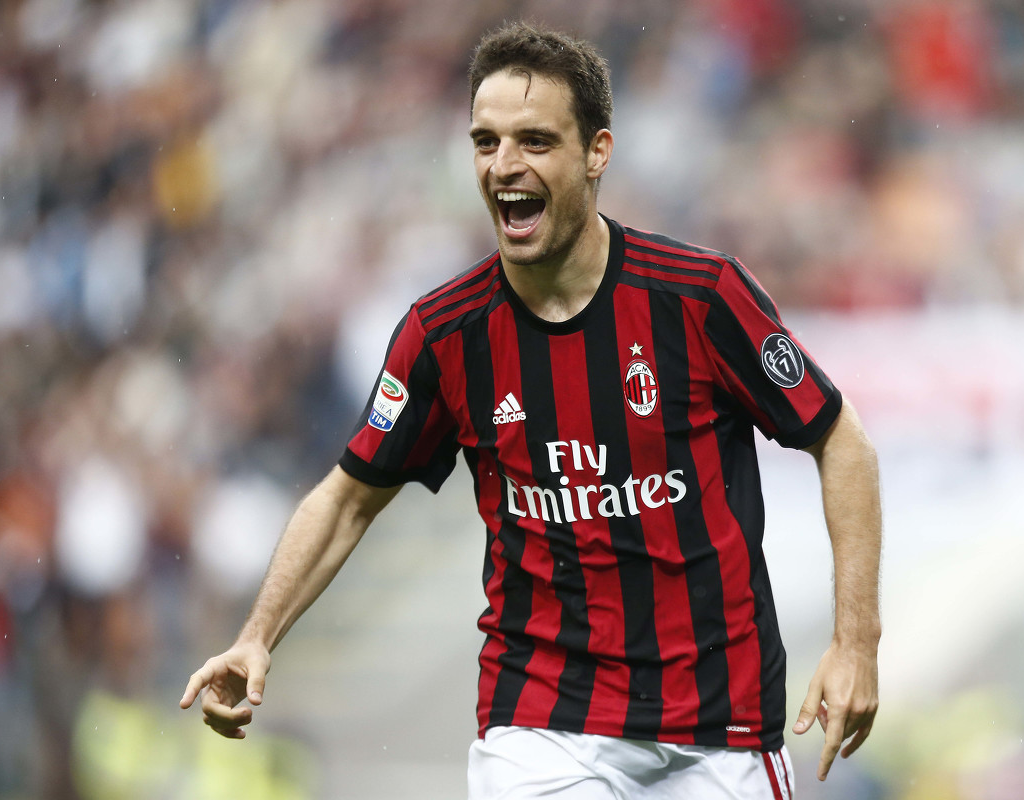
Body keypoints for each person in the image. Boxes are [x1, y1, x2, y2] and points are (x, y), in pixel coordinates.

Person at [180, 22, 882, 798]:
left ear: (597, 152)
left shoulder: (698, 298)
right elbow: (348, 498)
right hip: (544, 723)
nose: (504, 165)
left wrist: (856, 642)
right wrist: (257, 635)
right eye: (486, 141)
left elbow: (840, 440)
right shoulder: (444, 334)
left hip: (720, 727)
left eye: (535, 141)